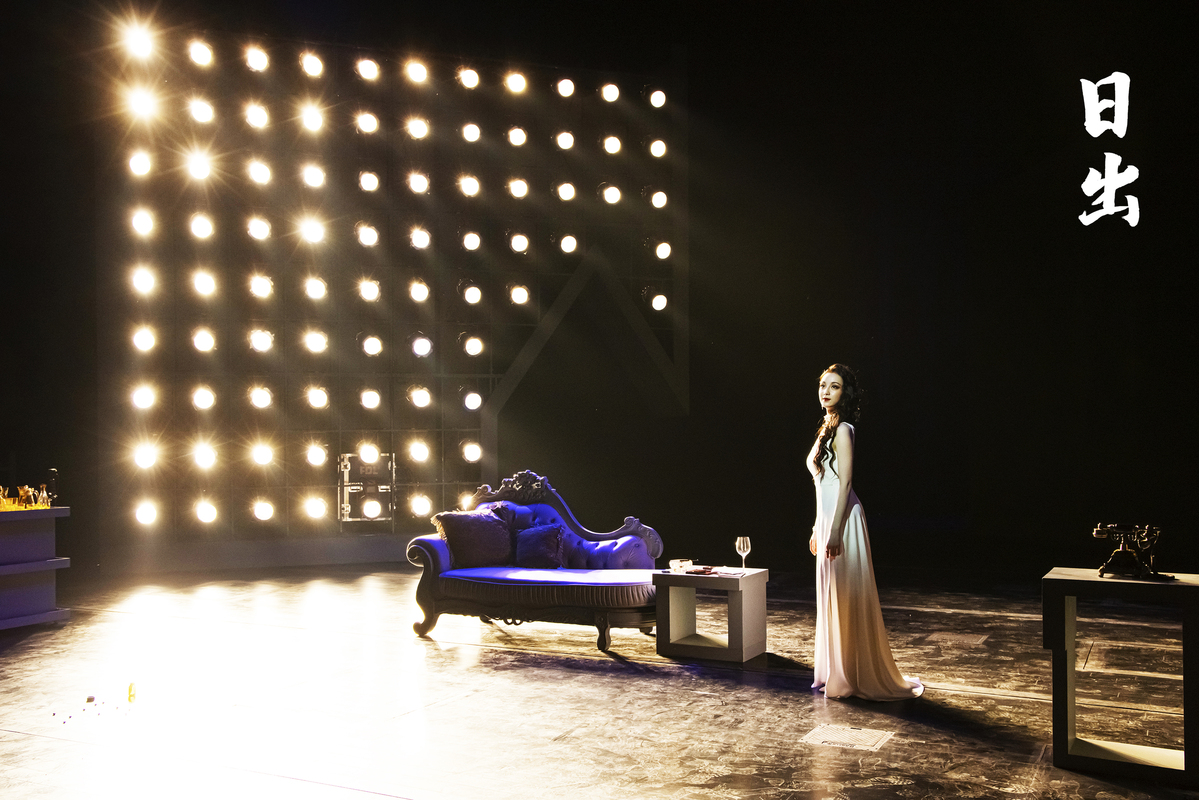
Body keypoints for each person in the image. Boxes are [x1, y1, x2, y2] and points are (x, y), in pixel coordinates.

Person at [807, 364, 922, 700]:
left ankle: (851, 675)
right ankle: (835, 670)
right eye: (823, 385)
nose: (826, 391)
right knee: (832, 593)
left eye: (835, 386)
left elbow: (845, 484)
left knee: (846, 594)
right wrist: (817, 527)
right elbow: (821, 485)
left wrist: (835, 530)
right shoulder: (825, 428)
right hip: (828, 518)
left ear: (846, 393)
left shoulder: (844, 429)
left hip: (844, 519)